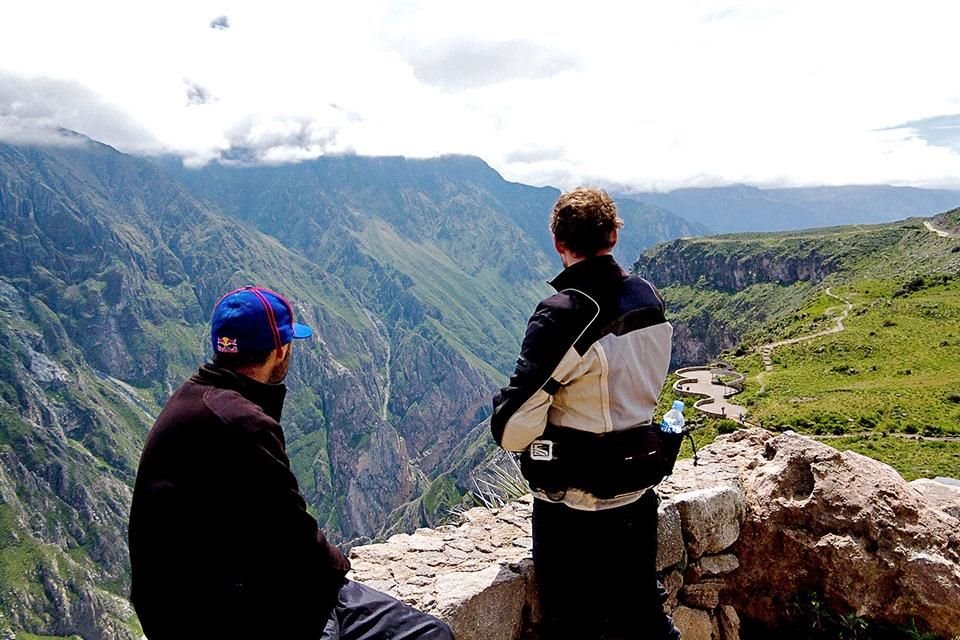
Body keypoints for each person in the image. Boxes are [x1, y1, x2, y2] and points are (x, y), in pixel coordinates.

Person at [128, 286, 453, 640]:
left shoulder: (196, 400)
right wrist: (338, 570)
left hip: (191, 604)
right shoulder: (240, 422)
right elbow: (292, 534)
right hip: (224, 613)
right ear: (280, 349)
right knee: (428, 635)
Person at [491, 189, 681, 639]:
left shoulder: (566, 313)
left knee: (574, 629)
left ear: (558, 243)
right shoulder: (647, 299)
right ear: (613, 236)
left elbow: (513, 431)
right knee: (644, 621)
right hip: (637, 492)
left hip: (574, 509)